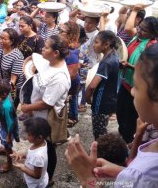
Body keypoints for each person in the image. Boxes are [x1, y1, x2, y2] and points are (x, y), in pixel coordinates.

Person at [65, 44, 158, 188]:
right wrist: (124, 172)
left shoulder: (143, 175)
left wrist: (87, 179)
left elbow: (141, 179)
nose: (132, 91)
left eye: (137, 86)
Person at [21, 35, 71, 186]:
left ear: (55, 53)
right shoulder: (48, 61)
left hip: (47, 119)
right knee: (41, 145)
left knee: (48, 148)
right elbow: (34, 57)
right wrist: (27, 64)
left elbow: (47, 103)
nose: (42, 48)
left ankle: (46, 178)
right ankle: (40, 172)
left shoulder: (60, 77)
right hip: (38, 116)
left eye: (46, 47)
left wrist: (26, 107)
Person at [117, 16, 158, 143]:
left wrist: (129, 66)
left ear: (153, 33)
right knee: (120, 111)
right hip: (125, 83)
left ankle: (129, 141)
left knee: (130, 117)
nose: (139, 31)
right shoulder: (136, 38)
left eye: (144, 30)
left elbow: (149, 72)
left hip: (137, 89)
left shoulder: (151, 46)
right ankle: (123, 133)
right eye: (139, 27)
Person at [85, 31, 119, 140]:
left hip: (101, 102)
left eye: (96, 42)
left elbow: (92, 86)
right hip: (109, 99)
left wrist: (87, 98)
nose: (94, 44)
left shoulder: (106, 62)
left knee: (99, 131)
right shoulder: (113, 55)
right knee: (102, 127)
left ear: (106, 45)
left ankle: (102, 150)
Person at [11, 117, 50, 188]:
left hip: (36, 185)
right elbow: (32, 155)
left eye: (29, 135)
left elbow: (37, 175)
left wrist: (22, 167)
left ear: (39, 137)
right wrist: (23, 155)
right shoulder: (41, 143)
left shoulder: (38, 155)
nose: (27, 136)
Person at [0, 78, 19, 173]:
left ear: (4, 94)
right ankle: (5, 148)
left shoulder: (7, 106)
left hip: (8, 129)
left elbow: (10, 123)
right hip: (4, 125)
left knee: (8, 145)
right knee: (5, 144)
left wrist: (8, 135)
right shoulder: (3, 97)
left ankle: (9, 164)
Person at [0, 28, 25, 109]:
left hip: (13, 89)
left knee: (9, 110)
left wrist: (3, 95)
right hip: (4, 85)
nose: (1, 41)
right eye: (0, 38)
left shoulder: (17, 56)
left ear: (11, 41)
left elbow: (13, 81)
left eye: (4, 39)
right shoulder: (1, 50)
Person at [58, 22, 80, 127]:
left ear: (70, 35)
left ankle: (73, 117)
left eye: (62, 31)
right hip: (67, 79)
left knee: (72, 98)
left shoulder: (71, 52)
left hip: (71, 81)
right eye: (59, 30)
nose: (59, 32)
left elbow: (72, 74)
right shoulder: (64, 46)